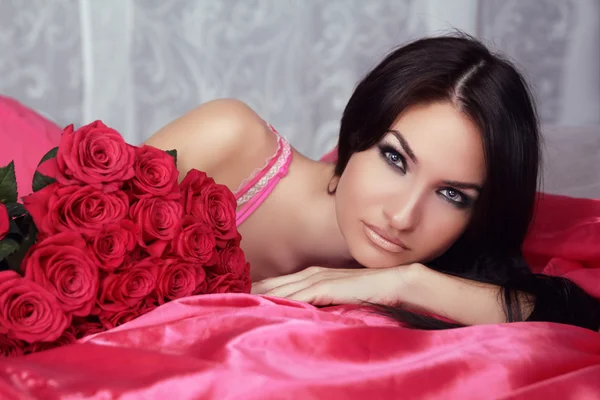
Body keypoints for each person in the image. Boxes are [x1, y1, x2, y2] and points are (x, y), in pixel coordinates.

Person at [145, 34, 600, 331]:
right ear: (356, 132)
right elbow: (79, 216)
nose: (402, 217)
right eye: (395, 158)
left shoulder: (435, 271)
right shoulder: (231, 140)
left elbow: (571, 319)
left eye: (451, 194)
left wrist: (408, 284)